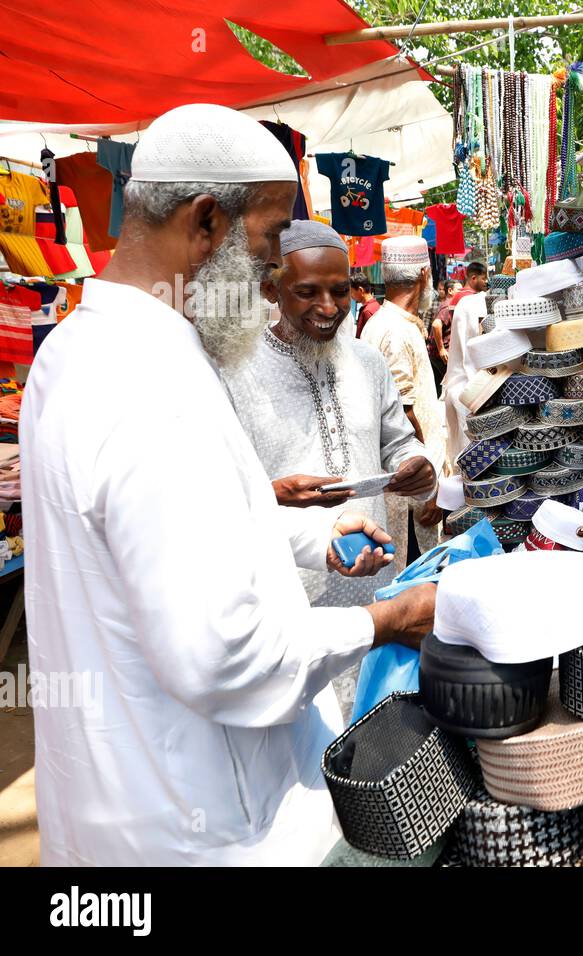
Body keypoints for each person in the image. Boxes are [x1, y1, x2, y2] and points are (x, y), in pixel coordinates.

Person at [20, 103, 437, 867]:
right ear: (206, 221)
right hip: (197, 824)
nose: (278, 268)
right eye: (272, 238)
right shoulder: (148, 384)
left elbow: (156, 543)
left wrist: (314, 537)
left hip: (125, 808)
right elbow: (225, 657)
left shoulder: (84, 349)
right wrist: (388, 619)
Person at [222, 221, 438, 716]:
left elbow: (400, 442)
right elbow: (220, 490)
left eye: (340, 291)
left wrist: (417, 467)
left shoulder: (366, 361)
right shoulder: (236, 371)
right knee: (313, 726)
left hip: (375, 573)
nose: (328, 307)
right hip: (291, 589)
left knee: (377, 716)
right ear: (270, 289)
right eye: (306, 292)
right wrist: (272, 493)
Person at [360, 237, 447, 555]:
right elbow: (404, 416)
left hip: (404, 484)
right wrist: (431, 483)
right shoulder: (395, 331)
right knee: (415, 579)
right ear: (425, 275)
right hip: (412, 490)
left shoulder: (385, 324)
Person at [441, 261, 490, 464]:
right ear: (473, 277)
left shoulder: (464, 302)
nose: (486, 281)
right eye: (483, 277)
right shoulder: (467, 302)